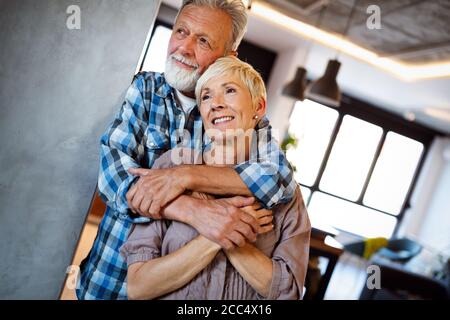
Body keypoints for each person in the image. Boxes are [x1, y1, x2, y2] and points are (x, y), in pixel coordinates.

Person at [77, 0, 297, 300]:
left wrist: (182, 176)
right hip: (109, 283)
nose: (184, 47)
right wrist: (196, 211)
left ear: (228, 56)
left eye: (203, 40)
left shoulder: (239, 113)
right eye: (181, 31)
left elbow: (278, 178)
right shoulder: (145, 89)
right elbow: (113, 177)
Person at [120, 56, 311, 300]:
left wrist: (230, 232)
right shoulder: (169, 167)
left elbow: (288, 294)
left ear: (259, 107)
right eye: (206, 96)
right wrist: (216, 232)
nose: (216, 104)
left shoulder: (285, 193)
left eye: (229, 90)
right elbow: (139, 287)